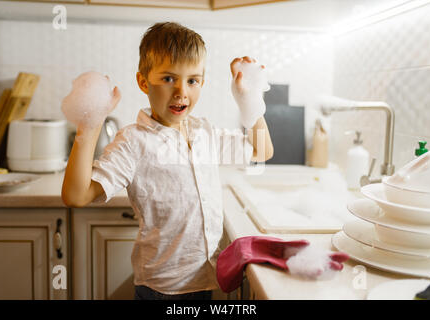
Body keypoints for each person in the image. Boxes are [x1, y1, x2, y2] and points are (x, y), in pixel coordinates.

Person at [61, 22, 274, 300]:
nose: (181, 92)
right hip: (162, 288)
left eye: (192, 80)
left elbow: (261, 151)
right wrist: (88, 127)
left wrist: (250, 101)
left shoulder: (203, 132)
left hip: (205, 279)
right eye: (168, 78)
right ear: (143, 81)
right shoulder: (134, 141)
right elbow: (76, 196)